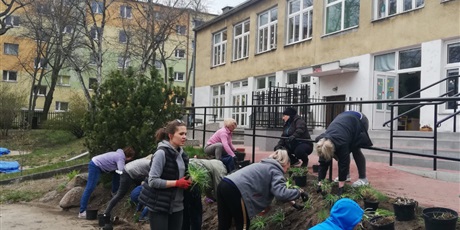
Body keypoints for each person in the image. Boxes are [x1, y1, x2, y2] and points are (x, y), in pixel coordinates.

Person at [216, 149, 304, 230]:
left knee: (224, 223)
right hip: (235, 189)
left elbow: (277, 190)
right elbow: (281, 193)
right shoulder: (276, 171)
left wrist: (293, 203)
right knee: (243, 225)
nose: (285, 172)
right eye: (287, 169)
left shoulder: (264, 165)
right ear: (285, 163)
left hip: (224, 184)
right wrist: (299, 192)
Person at [139, 119, 191, 230]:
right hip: (159, 206)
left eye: (185, 134)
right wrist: (177, 183)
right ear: (170, 135)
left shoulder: (183, 155)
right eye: (181, 134)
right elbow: (153, 181)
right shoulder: (161, 153)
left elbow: (182, 176)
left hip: (177, 207)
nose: (184, 137)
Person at [315, 111, 373, 195]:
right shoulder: (322, 141)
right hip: (344, 122)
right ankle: (346, 175)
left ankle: (363, 179)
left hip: (359, 120)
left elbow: (343, 162)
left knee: (355, 149)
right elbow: (323, 162)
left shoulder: (342, 143)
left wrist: (341, 186)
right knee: (342, 152)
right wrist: (320, 182)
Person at [78, 147, 136, 218]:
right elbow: (122, 172)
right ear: (129, 156)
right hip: (95, 165)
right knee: (90, 187)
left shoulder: (118, 154)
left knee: (116, 173)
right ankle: (82, 211)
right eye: (131, 158)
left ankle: (114, 192)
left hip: (98, 164)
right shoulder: (120, 158)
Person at [182, 159, 228, 230]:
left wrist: (211, 197)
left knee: (187, 212)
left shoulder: (210, 164)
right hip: (193, 180)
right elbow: (218, 189)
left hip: (186, 177)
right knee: (195, 213)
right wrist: (219, 202)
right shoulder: (221, 169)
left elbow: (208, 188)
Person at [102, 155, 152, 219]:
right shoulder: (151, 164)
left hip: (131, 172)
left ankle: (138, 209)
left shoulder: (147, 160)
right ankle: (106, 213)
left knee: (142, 188)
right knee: (119, 195)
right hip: (127, 174)